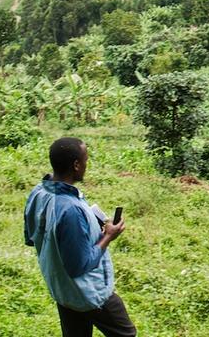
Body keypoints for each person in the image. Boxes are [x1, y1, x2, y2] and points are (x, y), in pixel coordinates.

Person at [25, 137, 135, 337]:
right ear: (76, 165)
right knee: (126, 334)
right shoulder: (71, 209)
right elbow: (79, 266)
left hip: (62, 290)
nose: (86, 164)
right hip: (88, 293)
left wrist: (86, 229)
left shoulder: (39, 193)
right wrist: (108, 236)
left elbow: (30, 237)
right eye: (86, 160)